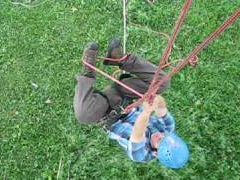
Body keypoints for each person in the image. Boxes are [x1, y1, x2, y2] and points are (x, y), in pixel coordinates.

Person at [73, 38, 189, 168]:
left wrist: (146, 112)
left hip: (107, 113)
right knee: (163, 82)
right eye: (165, 137)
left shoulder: (142, 155)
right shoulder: (168, 129)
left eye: (160, 142)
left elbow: (137, 135)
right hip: (125, 96)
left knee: (83, 114)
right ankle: (119, 59)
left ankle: (87, 72)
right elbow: (162, 108)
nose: (160, 136)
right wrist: (156, 101)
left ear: (157, 153)